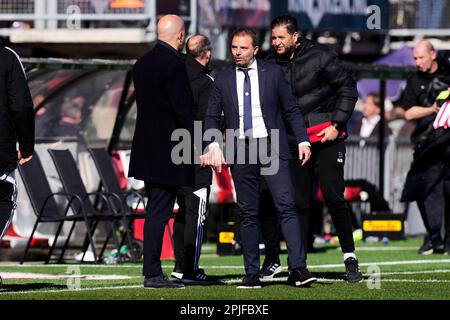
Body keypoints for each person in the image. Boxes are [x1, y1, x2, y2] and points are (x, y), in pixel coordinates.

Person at [201, 27, 317, 288]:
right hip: (241, 148)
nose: (237, 52)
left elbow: (291, 109)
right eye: (233, 47)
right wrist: (212, 143)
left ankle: (298, 268)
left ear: (255, 49)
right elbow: (211, 116)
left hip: (272, 145)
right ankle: (252, 273)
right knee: (248, 212)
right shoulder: (222, 78)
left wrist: (303, 140)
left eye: (243, 48)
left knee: (286, 206)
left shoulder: (273, 73)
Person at [261, 15, 363, 282]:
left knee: (333, 196)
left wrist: (337, 123)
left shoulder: (321, 55)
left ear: (295, 37)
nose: (276, 42)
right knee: (298, 203)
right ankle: (299, 264)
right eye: (273, 38)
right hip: (296, 141)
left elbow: (348, 89)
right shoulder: (271, 62)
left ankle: (350, 258)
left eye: (281, 37)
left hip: (328, 137)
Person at [128, 14, 195, 289]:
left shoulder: (141, 63)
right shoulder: (174, 65)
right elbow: (183, 111)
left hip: (146, 147)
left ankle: (152, 270)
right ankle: (153, 273)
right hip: (169, 149)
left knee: (155, 207)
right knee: (159, 210)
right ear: (180, 36)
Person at [171, 34, 215, 284]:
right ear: (206, 54)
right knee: (196, 212)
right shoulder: (205, 81)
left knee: (181, 210)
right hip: (195, 151)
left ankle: (179, 266)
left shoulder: (176, 74)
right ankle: (190, 269)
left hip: (173, 150)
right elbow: (205, 121)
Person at [400, 40, 450, 255]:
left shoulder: (447, 71)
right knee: (420, 188)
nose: (417, 62)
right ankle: (433, 235)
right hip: (426, 143)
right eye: (415, 58)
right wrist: (431, 109)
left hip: (447, 141)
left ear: (433, 55)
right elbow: (408, 113)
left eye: (421, 57)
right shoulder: (414, 80)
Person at [0, 41, 34, 286]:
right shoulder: (7, 57)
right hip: (0, 153)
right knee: (3, 201)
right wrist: (26, 143)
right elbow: (21, 105)